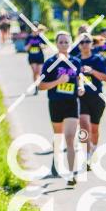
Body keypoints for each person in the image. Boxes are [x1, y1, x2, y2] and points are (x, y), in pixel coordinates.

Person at [39, 31, 84, 186]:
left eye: (66, 42)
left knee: (70, 138)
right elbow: (41, 86)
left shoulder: (76, 62)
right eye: (61, 42)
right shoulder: (50, 63)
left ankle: (71, 174)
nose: (64, 45)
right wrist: (58, 82)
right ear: (56, 44)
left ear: (70, 44)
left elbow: (79, 77)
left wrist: (81, 87)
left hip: (72, 103)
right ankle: (56, 159)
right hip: (56, 103)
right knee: (58, 136)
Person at [76, 33, 106, 168]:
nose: (84, 44)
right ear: (78, 45)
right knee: (84, 126)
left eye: (87, 42)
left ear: (91, 44)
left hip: (97, 98)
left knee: (94, 129)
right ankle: (86, 155)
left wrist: (92, 71)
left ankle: (92, 150)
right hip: (81, 98)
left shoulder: (97, 59)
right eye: (82, 42)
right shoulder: (75, 60)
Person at [24, 24, 47, 94]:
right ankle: (36, 87)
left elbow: (45, 46)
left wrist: (41, 45)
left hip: (40, 57)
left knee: (39, 72)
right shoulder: (29, 37)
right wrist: (30, 44)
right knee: (35, 72)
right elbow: (25, 49)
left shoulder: (40, 37)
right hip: (32, 57)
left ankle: (39, 84)